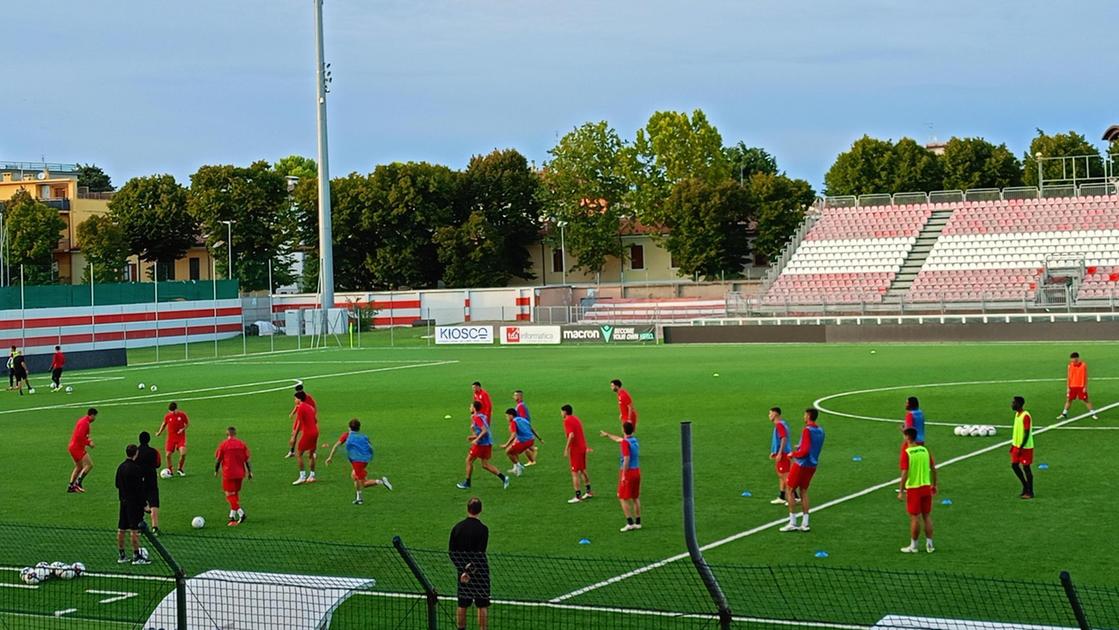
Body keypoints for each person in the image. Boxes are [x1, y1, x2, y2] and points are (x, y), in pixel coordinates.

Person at [326, 418, 392, 504]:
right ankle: (359, 498)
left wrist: (330, 457)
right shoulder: (363, 436)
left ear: (349, 428)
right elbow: (370, 446)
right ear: (359, 428)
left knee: (364, 483)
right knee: (354, 476)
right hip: (365, 460)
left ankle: (381, 481)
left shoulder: (346, 435)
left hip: (358, 462)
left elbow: (336, 446)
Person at [780, 408, 825, 533]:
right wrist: (800, 446)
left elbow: (804, 451)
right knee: (804, 491)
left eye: (805, 415)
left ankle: (792, 522)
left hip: (801, 465)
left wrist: (793, 454)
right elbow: (813, 446)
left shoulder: (807, 430)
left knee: (790, 489)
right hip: (812, 465)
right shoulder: (821, 430)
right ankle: (805, 523)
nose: (803, 417)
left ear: (809, 416)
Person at [449, 497, 490, 630]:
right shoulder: (483, 530)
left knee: (462, 603)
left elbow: (452, 552)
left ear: (467, 509)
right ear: (481, 510)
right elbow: (480, 553)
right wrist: (471, 570)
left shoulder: (457, 528)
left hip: (462, 574)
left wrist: (463, 570)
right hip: (480, 572)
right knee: (482, 604)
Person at [898, 427, 937, 553]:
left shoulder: (907, 452)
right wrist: (934, 485)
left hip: (914, 489)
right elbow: (934, 468)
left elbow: (905, 473)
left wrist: (901, 490)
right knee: (927, 516)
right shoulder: (925, 450)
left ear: (907, 437)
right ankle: (930, 545)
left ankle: (913, 546)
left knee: (915, 517)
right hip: (926, 487)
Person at [457, 401, 509, 490]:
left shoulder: (477, 418)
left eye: (470, 406)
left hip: (481, 444)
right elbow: (482, 431)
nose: (469, 408)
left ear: (474, 408)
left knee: (468, 461)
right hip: (487, 444)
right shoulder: (482, 416)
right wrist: (473, 437)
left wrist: (476, 440)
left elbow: (484, 430)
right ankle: (504, 478)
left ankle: (467, 483)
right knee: (485, 465)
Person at [601, 422, 642, 532]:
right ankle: (638, 522)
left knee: (622, 497)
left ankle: (630, 523)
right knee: (635, 497)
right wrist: (608, 435)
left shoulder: (625, 443)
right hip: (637, 471)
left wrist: (623, 475)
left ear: (623, 430)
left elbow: (626, 459)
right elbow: (619, 439)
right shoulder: (634, 440)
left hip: (628, 472)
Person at [115, 444, 150, 564]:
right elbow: (139, 489)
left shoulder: (120, 467)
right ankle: (136, 556)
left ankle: (122, 555)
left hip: (123, 501)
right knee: (134, 529)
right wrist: (145, 504)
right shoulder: (136, 469)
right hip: (134, 503)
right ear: (136, 453)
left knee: (121, 528)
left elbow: (117, 485)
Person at [215, 426, 252, 526]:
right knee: (234, 493)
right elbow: (247, 459)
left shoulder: (223, 445)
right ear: (235, 434)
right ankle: (232, 516)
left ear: (227, 434)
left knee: (229, 495)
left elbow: (218, 459)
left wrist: (216, 470)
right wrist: (250, 472)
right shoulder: (241, 444)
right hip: (240, 473)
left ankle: (241, 513)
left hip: (229, 473)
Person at [562, 404, 592, 503]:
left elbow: (571, 435)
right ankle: (588, 491)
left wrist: (566, 448)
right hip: (582, 447)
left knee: (574, 472)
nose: (561, 413)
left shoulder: (567, 420)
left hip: (576, 449)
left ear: (565, 412)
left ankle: (577, 496)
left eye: (562, 411)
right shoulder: (576, 419)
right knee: (583, 469)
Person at [501, 408, 541, 476]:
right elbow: (532, 429)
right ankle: (515, 468)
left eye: (507, 416)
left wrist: (506, 444)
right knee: (514, 450)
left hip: (524, 440)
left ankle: (519, 467)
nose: (506, 418)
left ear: (511, 415)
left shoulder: (514, 422)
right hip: (531, 439)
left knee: (508, 452)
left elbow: (513, 435)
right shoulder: (523, 419)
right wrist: (539, 438)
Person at [769, 407, 797, 505]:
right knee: (781, 475)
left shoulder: (779, 425)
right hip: (783, 452)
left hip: (783, 453)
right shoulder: (782, 424)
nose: (769, 416)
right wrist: (774, 451)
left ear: (775, 414)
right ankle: (782, 496)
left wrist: (780, 452)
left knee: (785, 475)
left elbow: (783, 438)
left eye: (770, 413)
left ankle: (795, 496)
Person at [136, 432, 162, 535]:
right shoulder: (154, 451)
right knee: (154, 502)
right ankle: (155, 527)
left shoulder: (136, 451)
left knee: (139, 501)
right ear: (149, 440)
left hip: (139, 480)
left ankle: (140, 526)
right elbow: (158, 464)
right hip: (151, 479)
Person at [1059, 352, 1099, 420]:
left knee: (1086, 400)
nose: (1072, 360)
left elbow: (1085, 377)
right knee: (1069, 400)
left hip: (1081, 386)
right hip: (1072, 386)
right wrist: (1068, 387)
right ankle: (1064, 413)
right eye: (1071, 359)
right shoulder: (1070, 365)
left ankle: (1093, 413)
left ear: (1077, 358)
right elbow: (1069, 377)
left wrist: (1085, 387)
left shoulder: (1083, 365)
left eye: (1073, 359)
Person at [291, 390, 319, 485]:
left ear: (299, 399)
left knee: (299, 454)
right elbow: (315, 420)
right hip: (315, 432)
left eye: (295, 398)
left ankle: (302, 476)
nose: (294, 400)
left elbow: (299, 424)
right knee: (311, 454)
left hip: (308, 433)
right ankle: (312, 476)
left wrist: (294, 437)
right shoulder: (310, 407)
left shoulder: (301, 408)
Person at [155, 402, 189, 477]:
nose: (172, 412)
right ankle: (170, 469)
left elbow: (187, 424)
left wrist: (182, 429)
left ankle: (180, 469)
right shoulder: (167, 416)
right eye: (171, 411)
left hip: (180, 438)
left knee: (183, 454)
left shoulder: (182, 415)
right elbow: (164, 424)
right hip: (171, 438)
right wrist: (159, 432)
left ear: (177, 409)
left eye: (174, 411)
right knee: (168, 455)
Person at [68, 408, 97, 493]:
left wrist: (88, 440)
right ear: (92, 415)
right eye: (95, 416)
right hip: (77, 448)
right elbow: (80, 436)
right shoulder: (85, 423)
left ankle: (71, 486)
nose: (95, 419)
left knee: (79, 467)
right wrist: (89, 443)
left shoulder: (84, 421)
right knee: (89, 465)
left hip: (74, 447)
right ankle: (77, 484)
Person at [1011, 396, 1034, 499]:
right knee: (1014, 465)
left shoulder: (1025, 416)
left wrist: (1021, 446)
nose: (1012, 404)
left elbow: (1026, 432)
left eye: (1014, 402)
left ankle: (1030, 492)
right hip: (1016, 446)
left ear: (1019, 404)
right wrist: (1013, 445)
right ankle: (1025, 486)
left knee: (1026, 468)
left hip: (1025, 447)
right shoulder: (1017, 415)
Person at [287, 383, 317, 458]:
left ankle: (312, 452)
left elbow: (313, 407)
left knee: (308, 434)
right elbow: (297, 406)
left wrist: (312, 417)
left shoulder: (307, 397)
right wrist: (292, 413)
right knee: (294, 433)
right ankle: (292, 451)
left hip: (306, 419)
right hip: (299, 417)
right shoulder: (299, 397)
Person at [512, 390, 538, 465]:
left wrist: (521, 428)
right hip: (524, 429)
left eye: (515, 395)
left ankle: (531, 461)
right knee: (524, 445)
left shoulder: (520, 406)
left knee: (522, 446)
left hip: (523, 429)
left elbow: (523, 419)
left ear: (520, 396)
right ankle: (533, 450)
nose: (514, 397)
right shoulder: (520, 405)